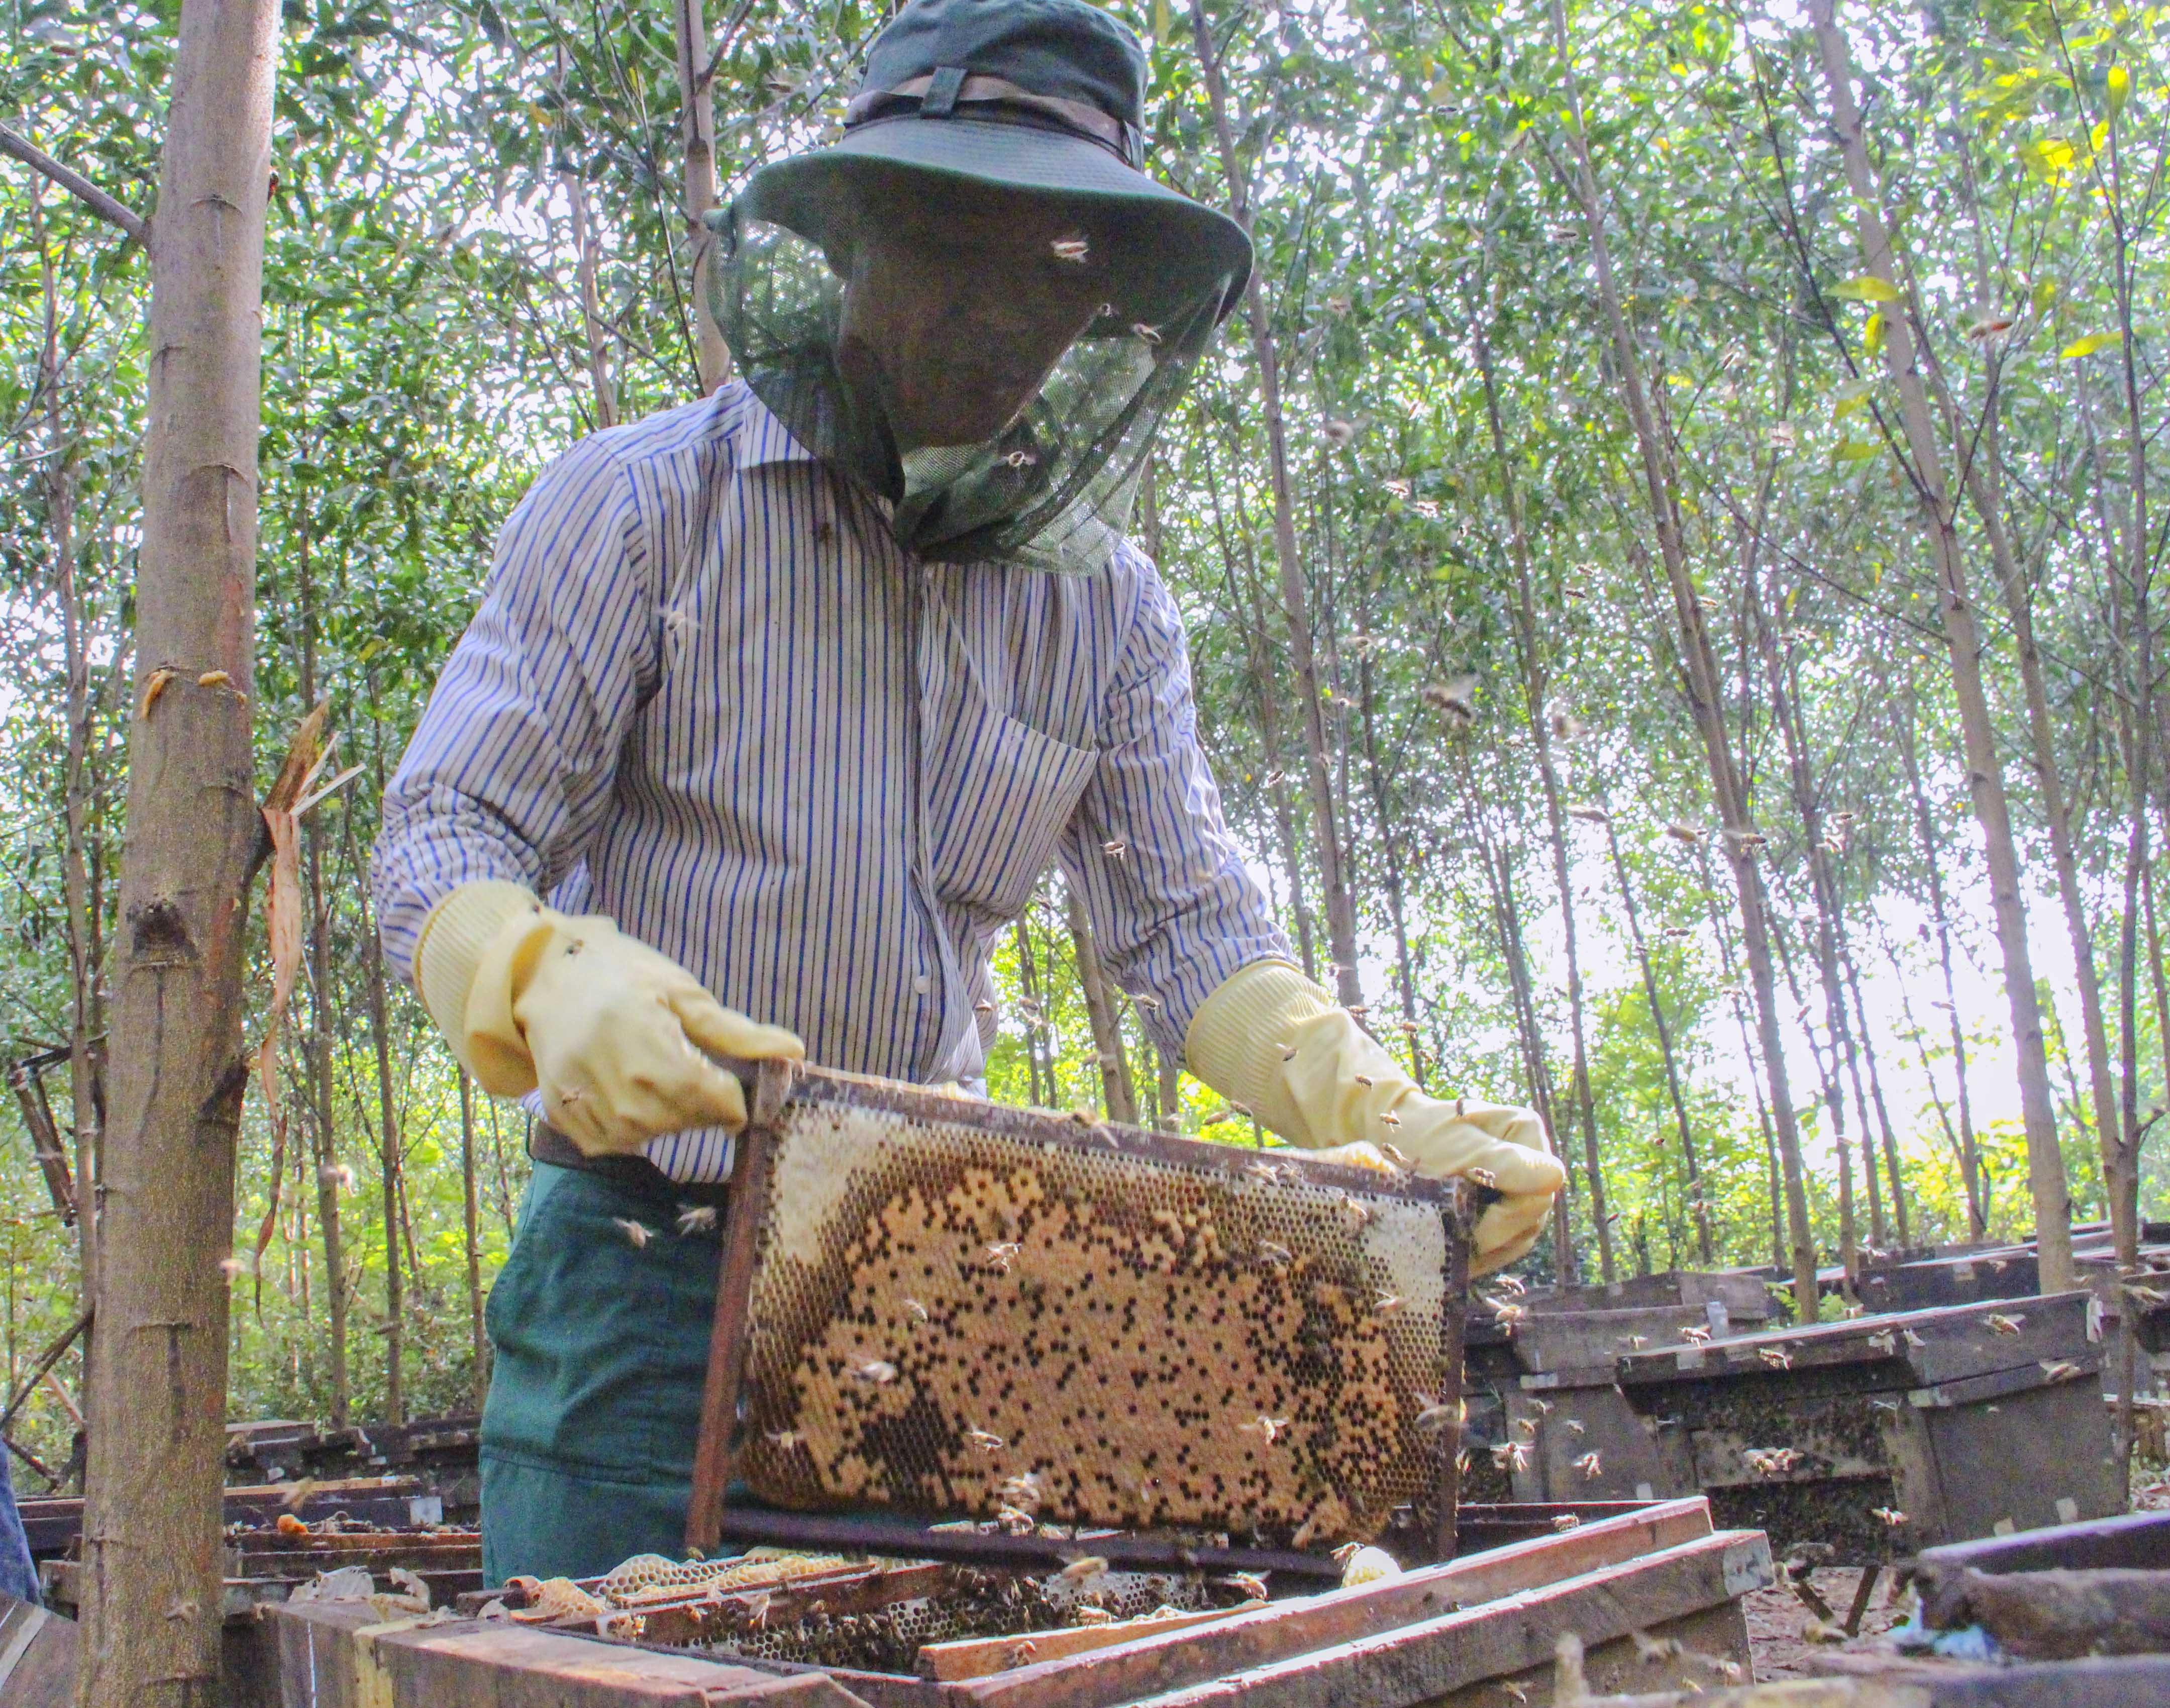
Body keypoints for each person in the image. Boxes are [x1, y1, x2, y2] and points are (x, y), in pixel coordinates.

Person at [374, 0, 1564, 1583]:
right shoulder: (647, 506)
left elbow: (1188, 930)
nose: (1003, 315)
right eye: (955, 245)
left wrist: (1371, 1105)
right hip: (642, 1270)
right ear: (853, 242)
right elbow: (447, 824)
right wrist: (530, 967)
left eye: (1057, 276)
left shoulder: (1109, 607)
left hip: (936, 1282)